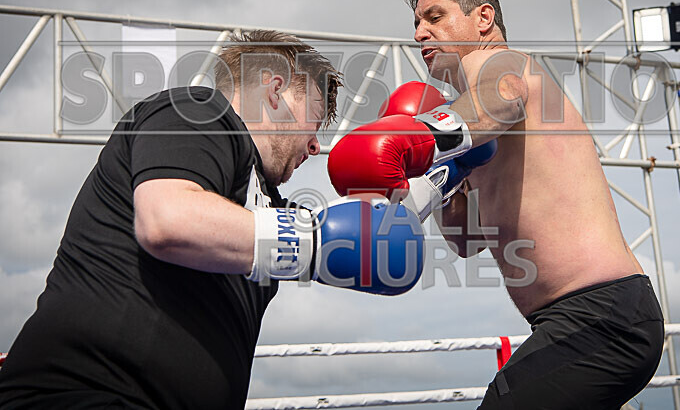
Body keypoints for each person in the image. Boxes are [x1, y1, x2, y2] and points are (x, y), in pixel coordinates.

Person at [0, 30, 424, 409]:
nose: (315, 146)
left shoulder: (265, 208)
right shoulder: (195, 111)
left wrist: (441, 156)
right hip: (83, 391)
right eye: (314, 119)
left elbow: (377, 233)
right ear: (274, 91)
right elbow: (169, 220)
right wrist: (313, 242)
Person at [328, 0, 664, 409]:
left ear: (483, 18)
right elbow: (466, 240)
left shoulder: (500, 64)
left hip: (602, 312)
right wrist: (440, 175)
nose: (419, 33)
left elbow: (504, 96)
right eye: (417, 23)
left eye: (435, 17)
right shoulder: (474, 127)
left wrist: (424, 136)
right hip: (580, 317)